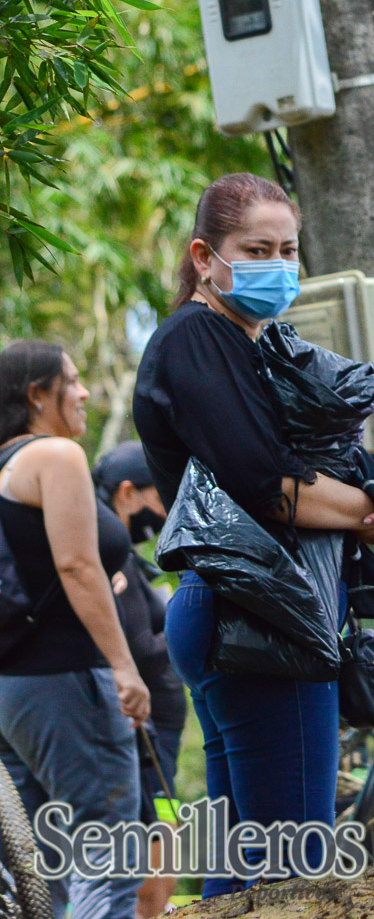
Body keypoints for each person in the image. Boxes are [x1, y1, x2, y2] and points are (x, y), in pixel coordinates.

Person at [133, 173, 374, 895]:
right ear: (204, 257)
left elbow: (328, 463)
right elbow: (263, 481)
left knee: (246, 868)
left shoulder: (258, 343)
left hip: (244, 619)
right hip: (258, 621)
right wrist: (370, 511)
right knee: (293, 869)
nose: (279, 264)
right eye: (256, 249)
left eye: (288, 249)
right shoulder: (197, 337)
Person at [0, 341, 149, 919]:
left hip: (15, 692)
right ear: (37, 394)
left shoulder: (6, 468)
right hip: (67, 681)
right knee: (108, 854)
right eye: (72, 381)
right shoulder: (54, 457)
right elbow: (77, 565)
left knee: (46, 867)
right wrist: (123, 666)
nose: (85, 393)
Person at [93, 441, 185, 918]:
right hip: (146, 737)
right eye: (160, 494)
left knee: (169, 828)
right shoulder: (109, 566)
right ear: (127, 494)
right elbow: (137, 648)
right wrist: (191, 625)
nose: (166, 508)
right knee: (158, 836)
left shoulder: (130, 560)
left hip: (163, 739)